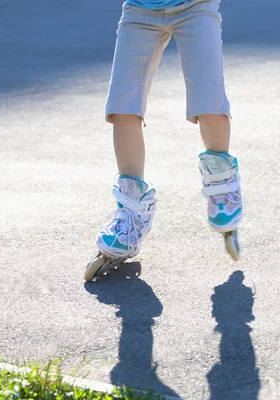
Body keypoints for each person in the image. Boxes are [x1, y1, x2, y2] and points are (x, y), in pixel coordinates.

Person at [85, 0, 242, 281]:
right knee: (122, 107)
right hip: (140, 9)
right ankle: (131, 213)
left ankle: (222, 187)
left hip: (196, 6)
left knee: (208, 99)